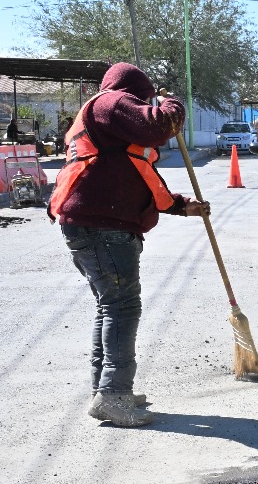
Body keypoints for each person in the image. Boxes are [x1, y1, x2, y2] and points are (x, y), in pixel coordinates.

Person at [48, 63, 210, 427]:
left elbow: (137, 176)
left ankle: (107, 389)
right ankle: (114, 394)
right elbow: (158, 126)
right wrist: (171, 105)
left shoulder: (108, 124)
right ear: (137, 92)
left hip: (92, 224)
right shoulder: (111, 102)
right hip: (101, 228)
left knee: (111, 307)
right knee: (121, 307)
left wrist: (183, 206)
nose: (144, 105)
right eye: (146, 99)